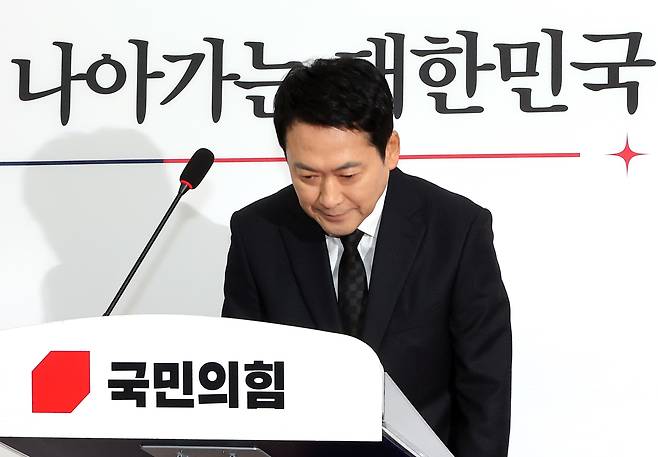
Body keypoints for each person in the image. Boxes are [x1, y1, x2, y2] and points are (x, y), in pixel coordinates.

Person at [222, 57, 511, 457]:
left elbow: (485, 388)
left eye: (348, 175)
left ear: (390, 150)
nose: (329, 198)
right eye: (307, 176)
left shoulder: (456, 229)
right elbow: (241, 382)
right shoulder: (258, 233)